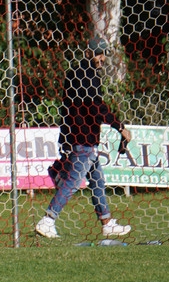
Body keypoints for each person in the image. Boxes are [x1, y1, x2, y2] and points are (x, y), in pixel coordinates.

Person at [35, 36, 132, 239]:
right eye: (99, 54)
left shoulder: (73, 74)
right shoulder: (90, 76)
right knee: (72, 183)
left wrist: (65, 137)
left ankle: (107, 223)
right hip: (84, 139)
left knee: (97, 181)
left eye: (103, 54)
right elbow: (96, 108)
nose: (102, 58)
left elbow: (68, 108)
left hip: (76, 136)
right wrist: (119, 126)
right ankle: (48, 220)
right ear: (89, 53)